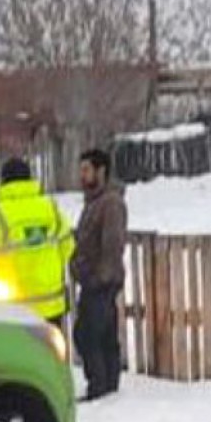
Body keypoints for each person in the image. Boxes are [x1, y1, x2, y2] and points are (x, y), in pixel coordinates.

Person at [0, 157, 74, 324]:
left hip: (11, 309)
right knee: (50, 349)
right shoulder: (50, 208)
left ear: (3, 181)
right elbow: (68, 246)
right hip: (51, 303)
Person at [71, 148, 129, 401]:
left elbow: (112, 244)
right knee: (100, 335)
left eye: (86, 170)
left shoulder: (111, 203)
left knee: (88, 334)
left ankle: (101, 386)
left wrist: (101, 277)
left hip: (101, 281)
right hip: (92, 279)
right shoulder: (94, 201)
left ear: (101, 171)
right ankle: (106, 386)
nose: (82, 175)